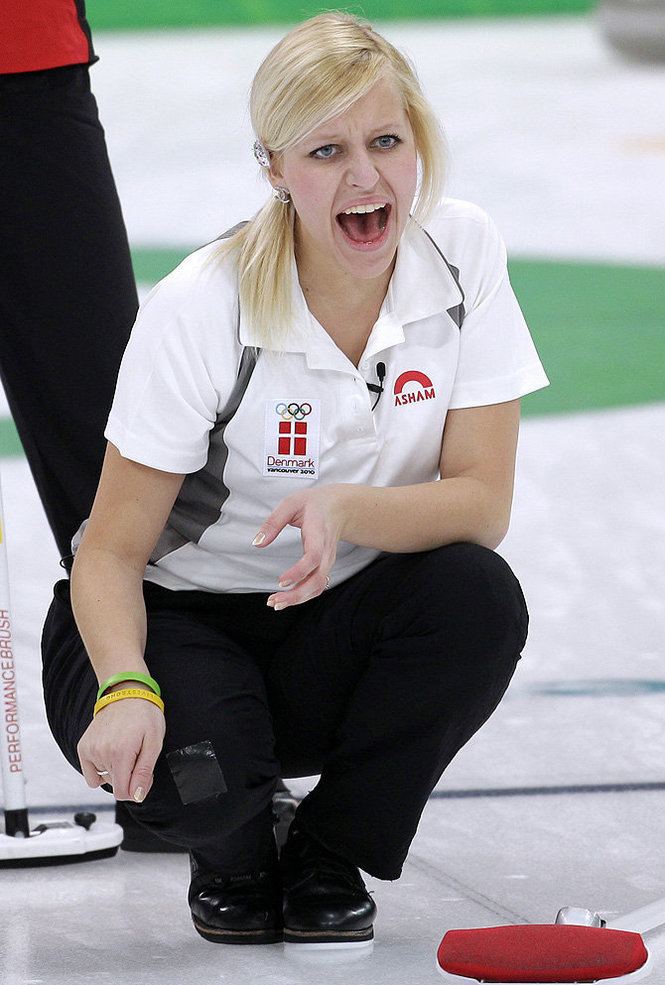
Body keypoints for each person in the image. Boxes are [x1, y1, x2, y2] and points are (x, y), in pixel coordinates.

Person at [40, 11, 549, 947]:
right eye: (325, 151)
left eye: (385, 141)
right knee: (190, 791)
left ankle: (330, 847)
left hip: (328, 619)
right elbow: (107, 552)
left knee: (475, 598)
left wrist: (347, 508)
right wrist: (122, 687)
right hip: (169, 621)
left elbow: (481, 504)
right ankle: (233, 844)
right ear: (274, 168)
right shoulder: (206, 304)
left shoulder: (460, 252)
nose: (365, 176)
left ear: (417, 144)